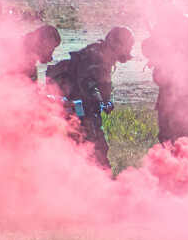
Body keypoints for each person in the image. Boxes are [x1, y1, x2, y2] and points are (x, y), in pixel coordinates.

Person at [46, 26, 134, 171]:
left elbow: (104, 84)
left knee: (87, 146)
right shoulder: (98, 55)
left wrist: (108, 100)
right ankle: (96, 182)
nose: (129, 50)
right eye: (128, 46)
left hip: (83, 106)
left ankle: (86, 181)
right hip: (77, 107)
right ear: (119, 44)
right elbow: (85, 83)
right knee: (91, 146)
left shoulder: (105, 56)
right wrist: (97, 105)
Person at [141, 0, 188, 144]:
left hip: (184, 83)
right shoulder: (163, 27)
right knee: (166, 128)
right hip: (168, 83)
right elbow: (152, 51)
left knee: (181, 126)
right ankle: (168, 163)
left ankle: (186, 162)